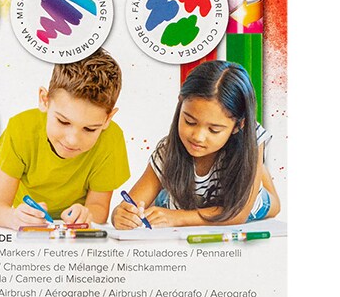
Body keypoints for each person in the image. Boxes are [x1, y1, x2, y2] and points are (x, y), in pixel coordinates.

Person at [112, 60, 279, 228]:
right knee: (165, 200)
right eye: (190, 122)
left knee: (270, 204)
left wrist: (178, 218)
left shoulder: (248, 139)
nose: (198, 137)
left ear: (238, 125)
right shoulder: (167, 151)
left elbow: (238, 214)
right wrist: (121, 215)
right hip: (182, 201)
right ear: (180, 103)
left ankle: (257, 169)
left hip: (243, 201)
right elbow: (130, 204)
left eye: (214, 130)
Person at [0, 49, 128, 230]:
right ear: (44, 100)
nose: (73, 140)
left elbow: (99, 208)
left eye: (90, 129)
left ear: (108, 119)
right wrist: (13, 218)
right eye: (63, 121)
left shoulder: (111, 139)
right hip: (29, 230)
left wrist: (88, 214)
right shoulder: (20, 129)